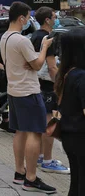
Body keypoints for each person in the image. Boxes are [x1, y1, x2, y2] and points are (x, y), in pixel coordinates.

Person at [0, 2, 56, 193]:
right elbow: (38, 65)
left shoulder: (5, 38)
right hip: (28, 91)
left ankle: (19, 172)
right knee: (35, 132)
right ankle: (31, 178)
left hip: (14, 90)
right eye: (27, 17)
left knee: (20, 131)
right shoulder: (22, 40)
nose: (29, 21)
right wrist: (45, 47)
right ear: (22, 18)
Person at [31, 7, 70, 174]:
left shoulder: (34, 36)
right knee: (49, 123)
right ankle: (47, 160)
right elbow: (52, 67)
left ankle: (40, 156)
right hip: (47, 86)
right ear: (47, 19)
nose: (56, 19)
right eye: (54, 17)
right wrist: (59, 86)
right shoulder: (49, 39)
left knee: (40, 122)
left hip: (35, 83)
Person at [55, 28, 85, 196]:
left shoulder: (67, 73)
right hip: (81, 135)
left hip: (69, 134)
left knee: (77, 180)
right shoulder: (82, 76)